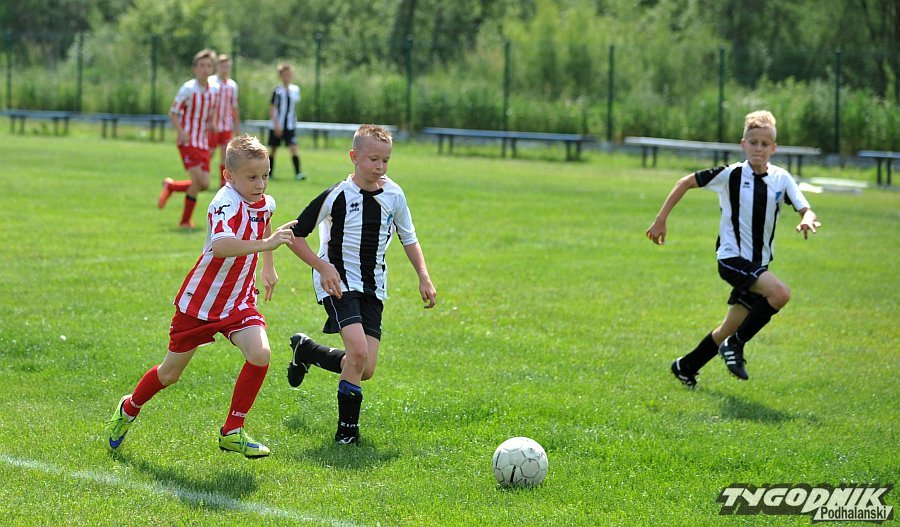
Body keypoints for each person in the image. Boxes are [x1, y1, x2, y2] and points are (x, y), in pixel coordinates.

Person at [106, 135, 298, 458]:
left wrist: (268, 266)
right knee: (170, 374)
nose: (260, 184)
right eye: (252, 177)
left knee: (260, 354)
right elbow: (221, 246)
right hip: (201, 303)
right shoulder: (223, 203)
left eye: (265, 175)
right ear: (228, 176)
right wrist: (268, 245)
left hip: (238, 300)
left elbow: (265, 223)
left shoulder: (265, 202)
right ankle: (129, 407)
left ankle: (232, 431)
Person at [285, 124, 437, 444]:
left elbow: (409, 238)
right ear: (354, 157)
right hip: (337, 281)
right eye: (373, 159)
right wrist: (322, 267)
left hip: (373, 285)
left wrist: (423, 276)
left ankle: (307, 350)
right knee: (357, 351)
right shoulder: (337, 195)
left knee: (364, 367)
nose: (380, 167)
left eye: (386, 160)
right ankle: (347, 435)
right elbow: (294, 236)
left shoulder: (394, 195)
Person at [645, 110, 820, 387]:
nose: (758, 148)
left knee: (729, 327)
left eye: (765, 144)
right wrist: (660, 220)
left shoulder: (781, 178)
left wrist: (807, 219)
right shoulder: (731, 174)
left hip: (758, 265)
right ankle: (735, 345)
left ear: (774, 148)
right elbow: (685, 182)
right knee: (780, 293)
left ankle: (686, 366)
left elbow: (805, 208)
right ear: (743, 144)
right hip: (731, 259)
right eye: (753, 142)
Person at [158, 48, 220, 229]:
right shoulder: (188, 89)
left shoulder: (214, 89)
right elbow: (173, 112)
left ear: (212, 69)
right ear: (195, 68)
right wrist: (181, 131)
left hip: (202, 141)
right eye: (201, 66)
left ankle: (171, 187)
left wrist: (213, 126)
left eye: (208, 66)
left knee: (204, 184)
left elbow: (212, 111)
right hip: (188, 141)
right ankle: (185, 221)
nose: (205, 69)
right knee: (198, 181)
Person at [208, 54, 241, 187]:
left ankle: (222, 183)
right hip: (212, 126)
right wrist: (211, 121)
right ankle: (202, 176)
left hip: (226, 125)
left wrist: (237, 127)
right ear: (217, 67)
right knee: (209, 153)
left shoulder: (232, 85)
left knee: (225, 154)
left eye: (227, 66)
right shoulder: (211, 82)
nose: (225, 69)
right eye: (222, 66)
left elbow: (234, 107)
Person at [268, 63, 305, 181]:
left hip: (289, 125)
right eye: (284, 74)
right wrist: (276, 125)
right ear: (280, 76)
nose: (287, 77)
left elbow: (294, 107)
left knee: (293, 147)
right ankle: (269, 173)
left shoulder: (295, 89)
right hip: (277, 125)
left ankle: (298, 173)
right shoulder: (277, 91)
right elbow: (272, 108)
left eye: (288, 74)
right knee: (273, 149)